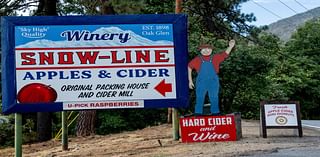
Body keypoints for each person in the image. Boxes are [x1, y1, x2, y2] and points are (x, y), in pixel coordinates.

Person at [188, 39, 236, 115]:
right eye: (204, 48)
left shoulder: (215, 58)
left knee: (214, 97)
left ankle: (215, 113)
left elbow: (225, 55)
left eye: (208, 48)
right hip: (201, 81)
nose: (206, 50)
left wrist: (230, 47)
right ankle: (198, 114)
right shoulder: (197, 59)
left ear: (211, 50)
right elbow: (189, 67)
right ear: (200, 50)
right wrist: (190, 81)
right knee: (200, 98)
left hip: (213, 81)